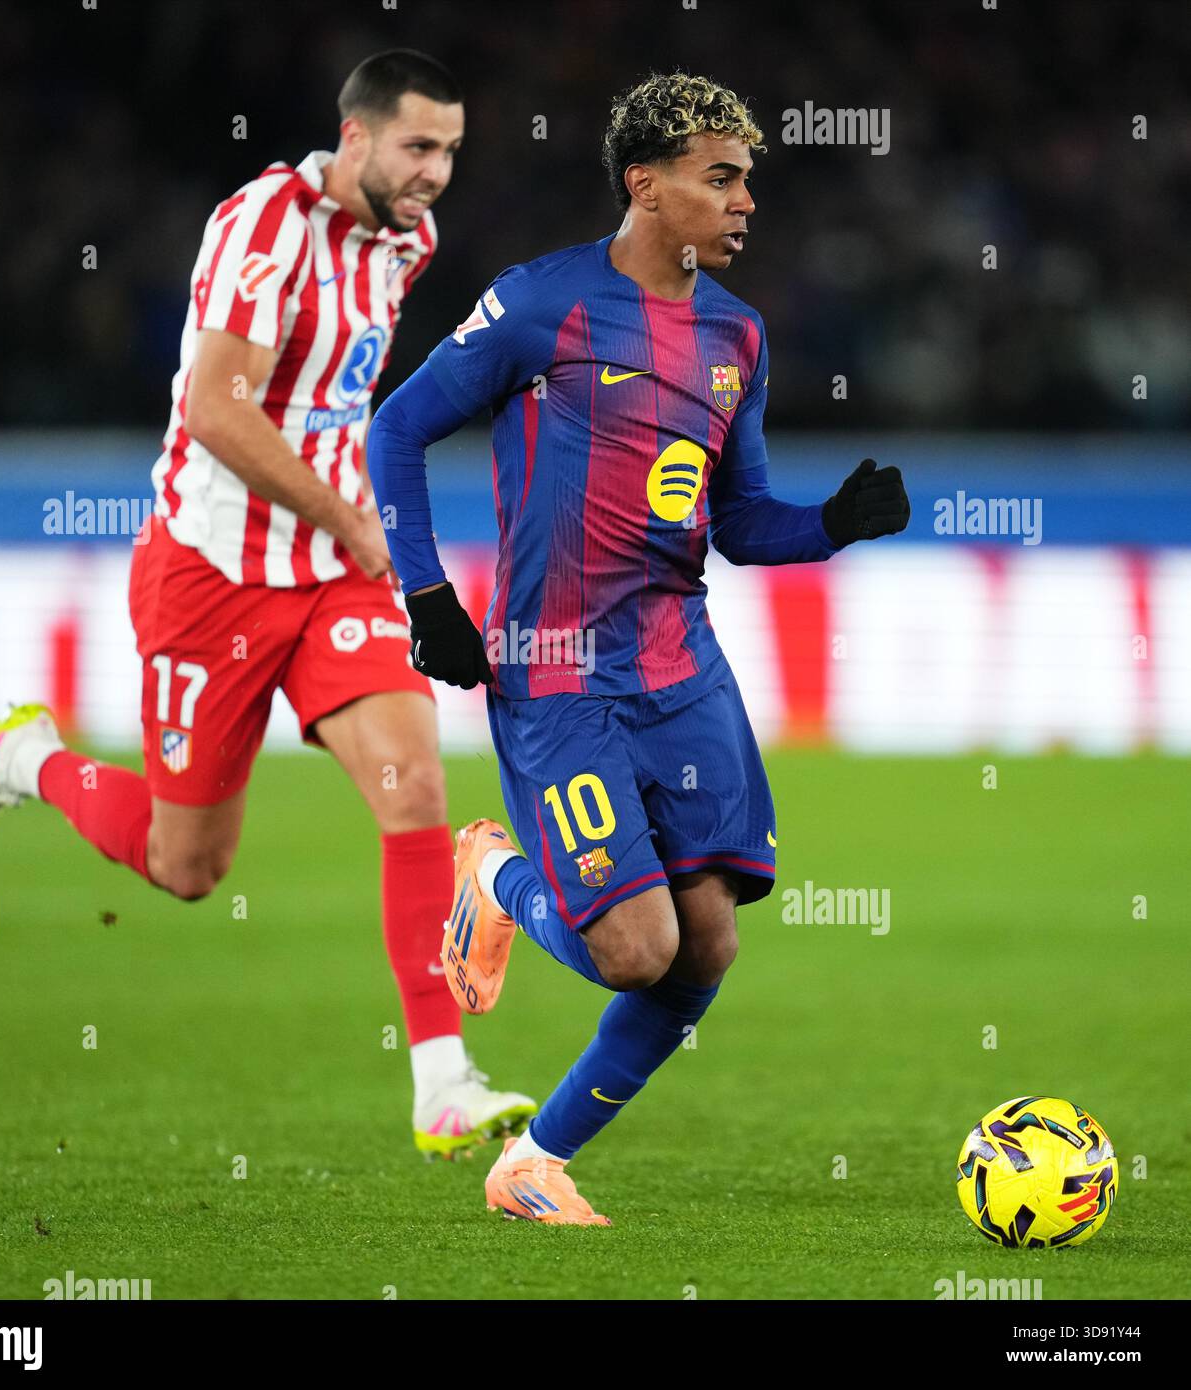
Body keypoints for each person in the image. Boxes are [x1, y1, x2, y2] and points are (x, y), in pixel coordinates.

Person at [0, 49, 535, 1158]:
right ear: (354, 136)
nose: (437, 173)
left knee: (413, 790)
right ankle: (30, 760)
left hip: (335, 575)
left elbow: (334, 394)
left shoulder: (410, 242)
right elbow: (220, 410)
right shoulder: (263, 226)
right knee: (186, 866)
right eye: (419, 147)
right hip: (210, 573)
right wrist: (356, 516)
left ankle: (441, 1080)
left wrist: (361, 529)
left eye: (451, 151)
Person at [367, 71, 909, 1221]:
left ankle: (533, 1163)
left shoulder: (738, 338)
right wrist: (425, 595)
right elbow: (397, 427)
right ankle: (497, 877)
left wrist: (831, 525)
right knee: (632, 948)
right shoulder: (537, 306)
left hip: (680, 670)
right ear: (646, 186)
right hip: (554, 671)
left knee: (703, 947)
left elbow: (739, 523)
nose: (745, 199)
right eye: (721, 177)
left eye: (747, 177)